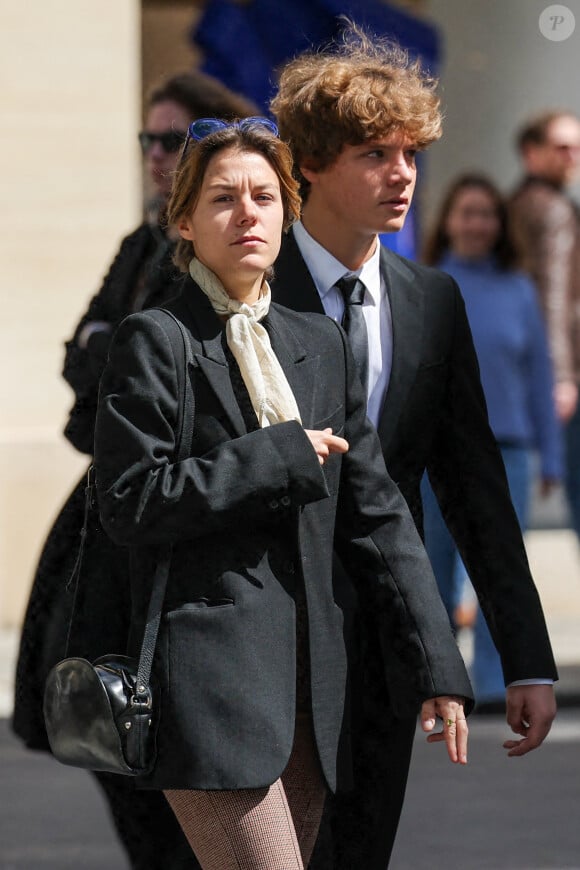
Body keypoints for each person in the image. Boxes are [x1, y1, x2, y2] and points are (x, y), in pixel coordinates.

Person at [94, 117, 472, 870]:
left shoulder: (318, 342)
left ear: (288, 211)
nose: (248, 215)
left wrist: (435, 664)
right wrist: (274, 457)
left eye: (264, 197)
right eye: (224, 198)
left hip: (311, 687)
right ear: (184, 220)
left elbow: (378, 514)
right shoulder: (156, 339)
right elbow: (131, 501)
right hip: (207, 685)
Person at [268, 26, 558, 869]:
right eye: (372, 153)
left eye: (409, 154)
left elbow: (474, 489)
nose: (401, 174)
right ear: (309, 166)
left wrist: (527, 659)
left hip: (385, 648)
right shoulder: (245, 287)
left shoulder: (432, 299)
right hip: (264, 647)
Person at [12, 71, 257, 870]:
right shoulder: (140, 242)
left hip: (172, 513)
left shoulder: (219, 255)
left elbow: (133, 367)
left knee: (163, 737)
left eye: (170, 138)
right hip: (104, 512)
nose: (155, 155)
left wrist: (112, 347)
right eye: (147, 140)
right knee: (97, 722)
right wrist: (106, 350)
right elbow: (81, 363)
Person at [420, 173, 562, 708]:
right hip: (437, 452)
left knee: (500, 574)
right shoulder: (427, 283)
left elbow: (541, 377)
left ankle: (492, 684)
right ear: (449, 220)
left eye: (487, 213)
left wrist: (550, 455)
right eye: (467, 212)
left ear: (500, 225)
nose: (477, 223)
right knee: (432, 568)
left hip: (510, 450)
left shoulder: (520, 287)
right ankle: (437, 682)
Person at [509, 111, 580, 547]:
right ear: (530, 153)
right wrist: (563, 375)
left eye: (576, 146)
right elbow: (553, 296)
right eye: (561, 147)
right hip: (561, 367)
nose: (572, 156)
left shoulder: (519, 202)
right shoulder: (552, 208)